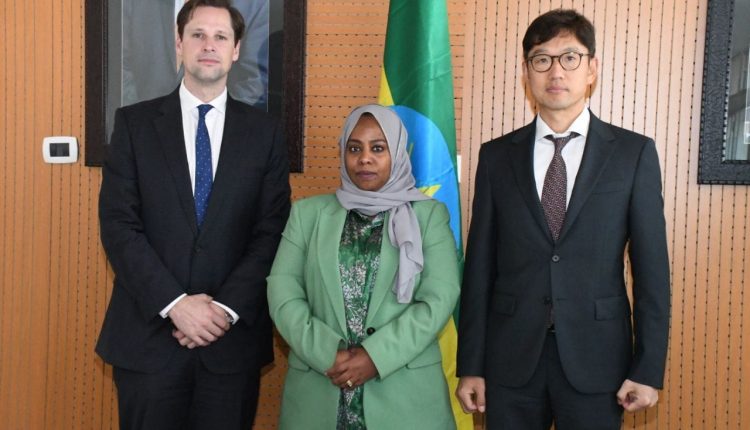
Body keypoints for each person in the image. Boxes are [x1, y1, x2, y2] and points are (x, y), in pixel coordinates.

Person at [455, 9, 670, 430]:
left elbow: (652, 273)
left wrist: (647, 368)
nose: (556, 71)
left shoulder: (632, 154)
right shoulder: (496, 157)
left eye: (570, 57)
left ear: (592, 69)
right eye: (542, 59)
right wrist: (471, 365)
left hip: (599, 361)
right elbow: (479, 268)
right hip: (510, 360)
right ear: (526, 72)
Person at [96, 0, 290, 428]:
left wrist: (223, 310)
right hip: (148, 341)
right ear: (178, 43)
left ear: (236, 50)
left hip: (230, 345)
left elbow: (272, 231)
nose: (208, 45)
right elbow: (119, 226)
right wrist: (175, 305)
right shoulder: (133, 125)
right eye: (198, 34)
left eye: (221, 37)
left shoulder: (265, 134)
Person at [267, 104, 460, 429]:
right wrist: (328, 354)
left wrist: (375, 357)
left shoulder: (428, 216)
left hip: (404, 397)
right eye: (354, 148)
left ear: (398, 153)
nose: (365, 159)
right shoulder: (307, 214)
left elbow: (438, 299)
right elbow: (282, 290)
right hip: (321, 388)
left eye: (378, 148)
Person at [121, 0, 269, 109]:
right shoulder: (133, 3)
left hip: (226, 133)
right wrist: (146, 122)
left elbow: (255, 84)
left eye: (220, 37)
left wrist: (208, 123)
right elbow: (120, 67)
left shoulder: (254, 4)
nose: (209, 46)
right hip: (144, 131)